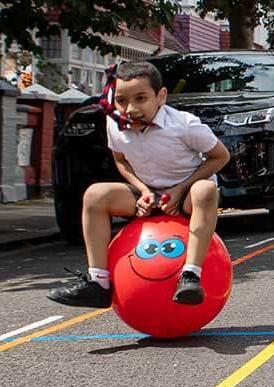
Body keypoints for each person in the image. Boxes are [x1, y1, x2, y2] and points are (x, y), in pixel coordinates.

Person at [47, 61, 231, 308]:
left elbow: (221, 156)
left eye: (141, 98)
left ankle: (190, 275)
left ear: (161, 96)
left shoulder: (185, 125)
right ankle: (98, 282)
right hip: (147, 192)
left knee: (206, 190)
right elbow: (121, 161)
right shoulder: (114, 124)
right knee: (95, 194)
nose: (130, 109)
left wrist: (180, 189)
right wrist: (143, 191)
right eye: (121, 101)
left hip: (186, 193)